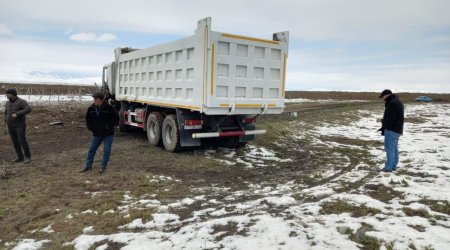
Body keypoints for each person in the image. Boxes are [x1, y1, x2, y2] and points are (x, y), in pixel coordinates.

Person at [81, 92, 119, 173]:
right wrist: (91, 128)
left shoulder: (109, 108)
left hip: (108, 134)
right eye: (94, 99)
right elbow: (88, 119)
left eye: (96, 99)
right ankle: (88, 166)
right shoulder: (91, 108)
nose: (94, 100)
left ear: (101, 100)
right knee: (91, 150)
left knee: (106, 151)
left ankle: (103, 167)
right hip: (96, 134)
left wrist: (109, 126)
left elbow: (116, 118)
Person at [376, 89, 404, 172]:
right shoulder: (397, 102)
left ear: (387, 95)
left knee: (390, 149)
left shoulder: (392, 103)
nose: (383, 98)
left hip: (391, 130)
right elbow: (392, 117)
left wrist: (382, 121)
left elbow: (391, 119)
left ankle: (388, 167)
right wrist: (383, 120)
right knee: (394, 148)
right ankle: (393, 166)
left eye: (383, 96)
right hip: (397, 129)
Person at [4, 88, 32, 164]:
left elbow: (28, 109)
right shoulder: (7, 103)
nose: (6, 95)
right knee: (15, 142)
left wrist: (17, 114)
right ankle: (20, 157)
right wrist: (5, 120)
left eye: (8, 94)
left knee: (22, 141)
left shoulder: (21, 102)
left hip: (20, 125)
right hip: (10, 126)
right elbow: (6, 113)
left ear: (13, 94)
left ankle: (27, 157)